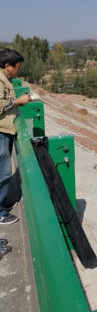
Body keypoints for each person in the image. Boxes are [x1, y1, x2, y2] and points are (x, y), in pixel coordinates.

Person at [0, 49, 31, 225]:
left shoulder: (6, 79)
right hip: (1, 132)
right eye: (17, 66)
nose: (18, 69)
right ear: (8, 66)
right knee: (3, 173)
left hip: (5, 130)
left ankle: (2, 202)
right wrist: (18, 101)